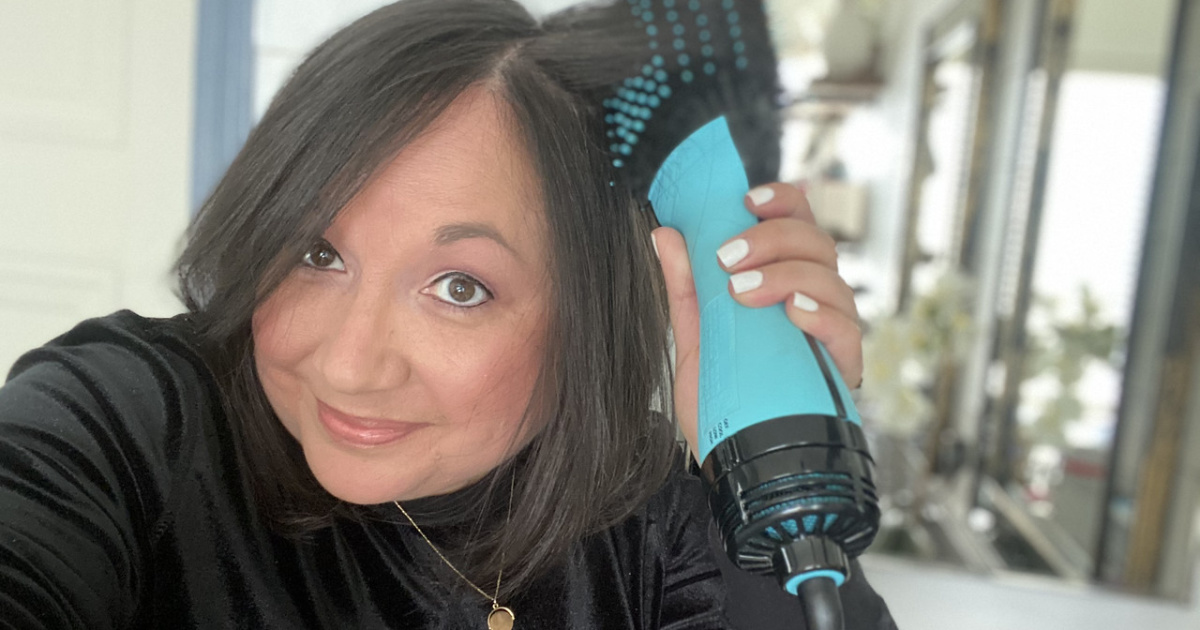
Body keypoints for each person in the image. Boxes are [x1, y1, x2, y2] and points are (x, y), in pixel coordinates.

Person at [0, 0, 895, 627]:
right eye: (318, 254)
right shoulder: (131, 421)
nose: (350, 365)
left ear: (588, 314)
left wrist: (765, 479)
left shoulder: (661, 532)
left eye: (459, 286)